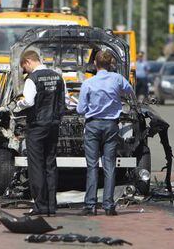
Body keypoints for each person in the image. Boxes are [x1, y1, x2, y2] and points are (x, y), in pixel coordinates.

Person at [77, 50, 136, 216]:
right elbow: (130, 93)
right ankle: (109, 206)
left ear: (95, 64)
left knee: (92, 166)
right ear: (110, 64)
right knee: (109, 165)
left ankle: (90, 206)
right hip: (111, 125)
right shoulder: (117, 79)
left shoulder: (88, 83)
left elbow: (81, 109)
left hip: (93, 126)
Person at [14, 50, 65, 216]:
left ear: (28, 61)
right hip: (54, 125)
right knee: (50, 164)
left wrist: (17, 105)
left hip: (37, 126)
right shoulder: (58, 76)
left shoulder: (32, 79)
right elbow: (63, 101)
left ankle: (40, 206)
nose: (25, 71)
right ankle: (52, 205)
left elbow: (29, 101)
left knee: (36, 166)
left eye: (24, 67)